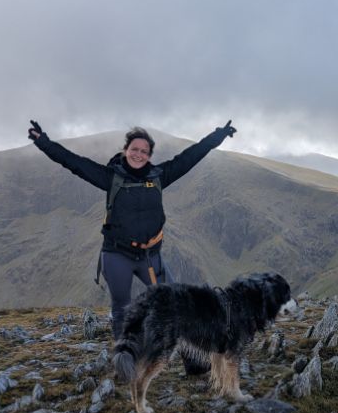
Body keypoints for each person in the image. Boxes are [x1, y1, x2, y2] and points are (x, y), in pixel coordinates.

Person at [26, 120, 236, 344]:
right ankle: (124, 359)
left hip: (150, 256)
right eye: (134, 149)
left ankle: (192, 359)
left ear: (149, 155)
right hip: (117, 255)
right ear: (125, 150)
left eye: (144, 151)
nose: (139, 154)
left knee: (175, 302)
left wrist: (219, 135)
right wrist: (43, 142)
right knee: (122, 309)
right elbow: (73, 162)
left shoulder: (159, 176)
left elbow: (191, 156)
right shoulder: (110, 177)